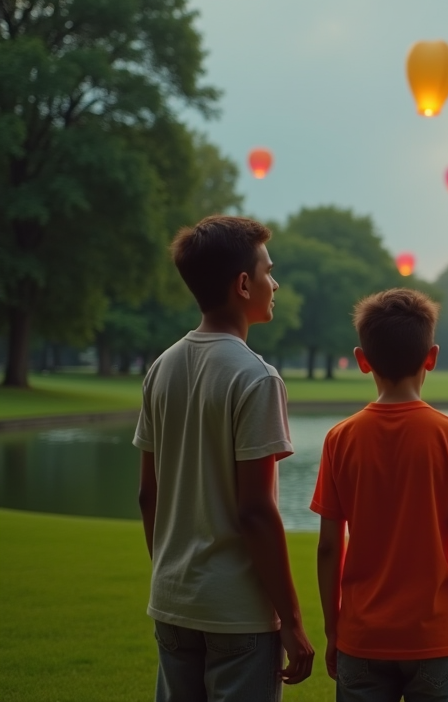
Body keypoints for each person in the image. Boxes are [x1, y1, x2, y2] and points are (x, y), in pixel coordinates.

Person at [134, 215, 314, 701]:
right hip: (238, 614)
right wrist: (292, 620)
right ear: (243, 284)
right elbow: (255, 510)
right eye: (268, 272)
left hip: (173, 602)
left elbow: (148, 495)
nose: (275, 284)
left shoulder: (161, 369)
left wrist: (173, 576)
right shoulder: (257, 378)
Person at [312, 287, 448, 702]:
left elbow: (328, 547)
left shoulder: (340, 439)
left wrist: (333, 630)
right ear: (432, 357)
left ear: (362, 360)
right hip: (436, 637)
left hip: (362, 636)